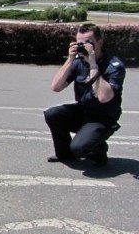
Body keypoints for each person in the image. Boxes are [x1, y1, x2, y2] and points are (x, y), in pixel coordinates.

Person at [43, 23, 125, 167]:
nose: (83, 47)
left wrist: (93, 64)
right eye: (79, 43)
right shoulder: (78, 62)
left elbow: (104, 98)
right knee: (53, 113)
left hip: (102, 118)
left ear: (100, 42)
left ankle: (99, 150)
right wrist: (70, 59)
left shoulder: (113, 65)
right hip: (83, 111)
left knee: (79, 148)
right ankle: (65, 155)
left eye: (88, 43)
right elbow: (56, 87)